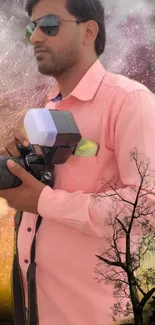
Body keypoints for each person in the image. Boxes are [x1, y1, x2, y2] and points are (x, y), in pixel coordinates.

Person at [0, 0, 155, 324]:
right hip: (35, 308)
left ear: (89, 31)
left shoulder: (130, 101)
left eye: (50, 26)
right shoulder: (44, 108)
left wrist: (45, 202)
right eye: (32, 27)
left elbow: (147, 208)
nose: (35, 38)